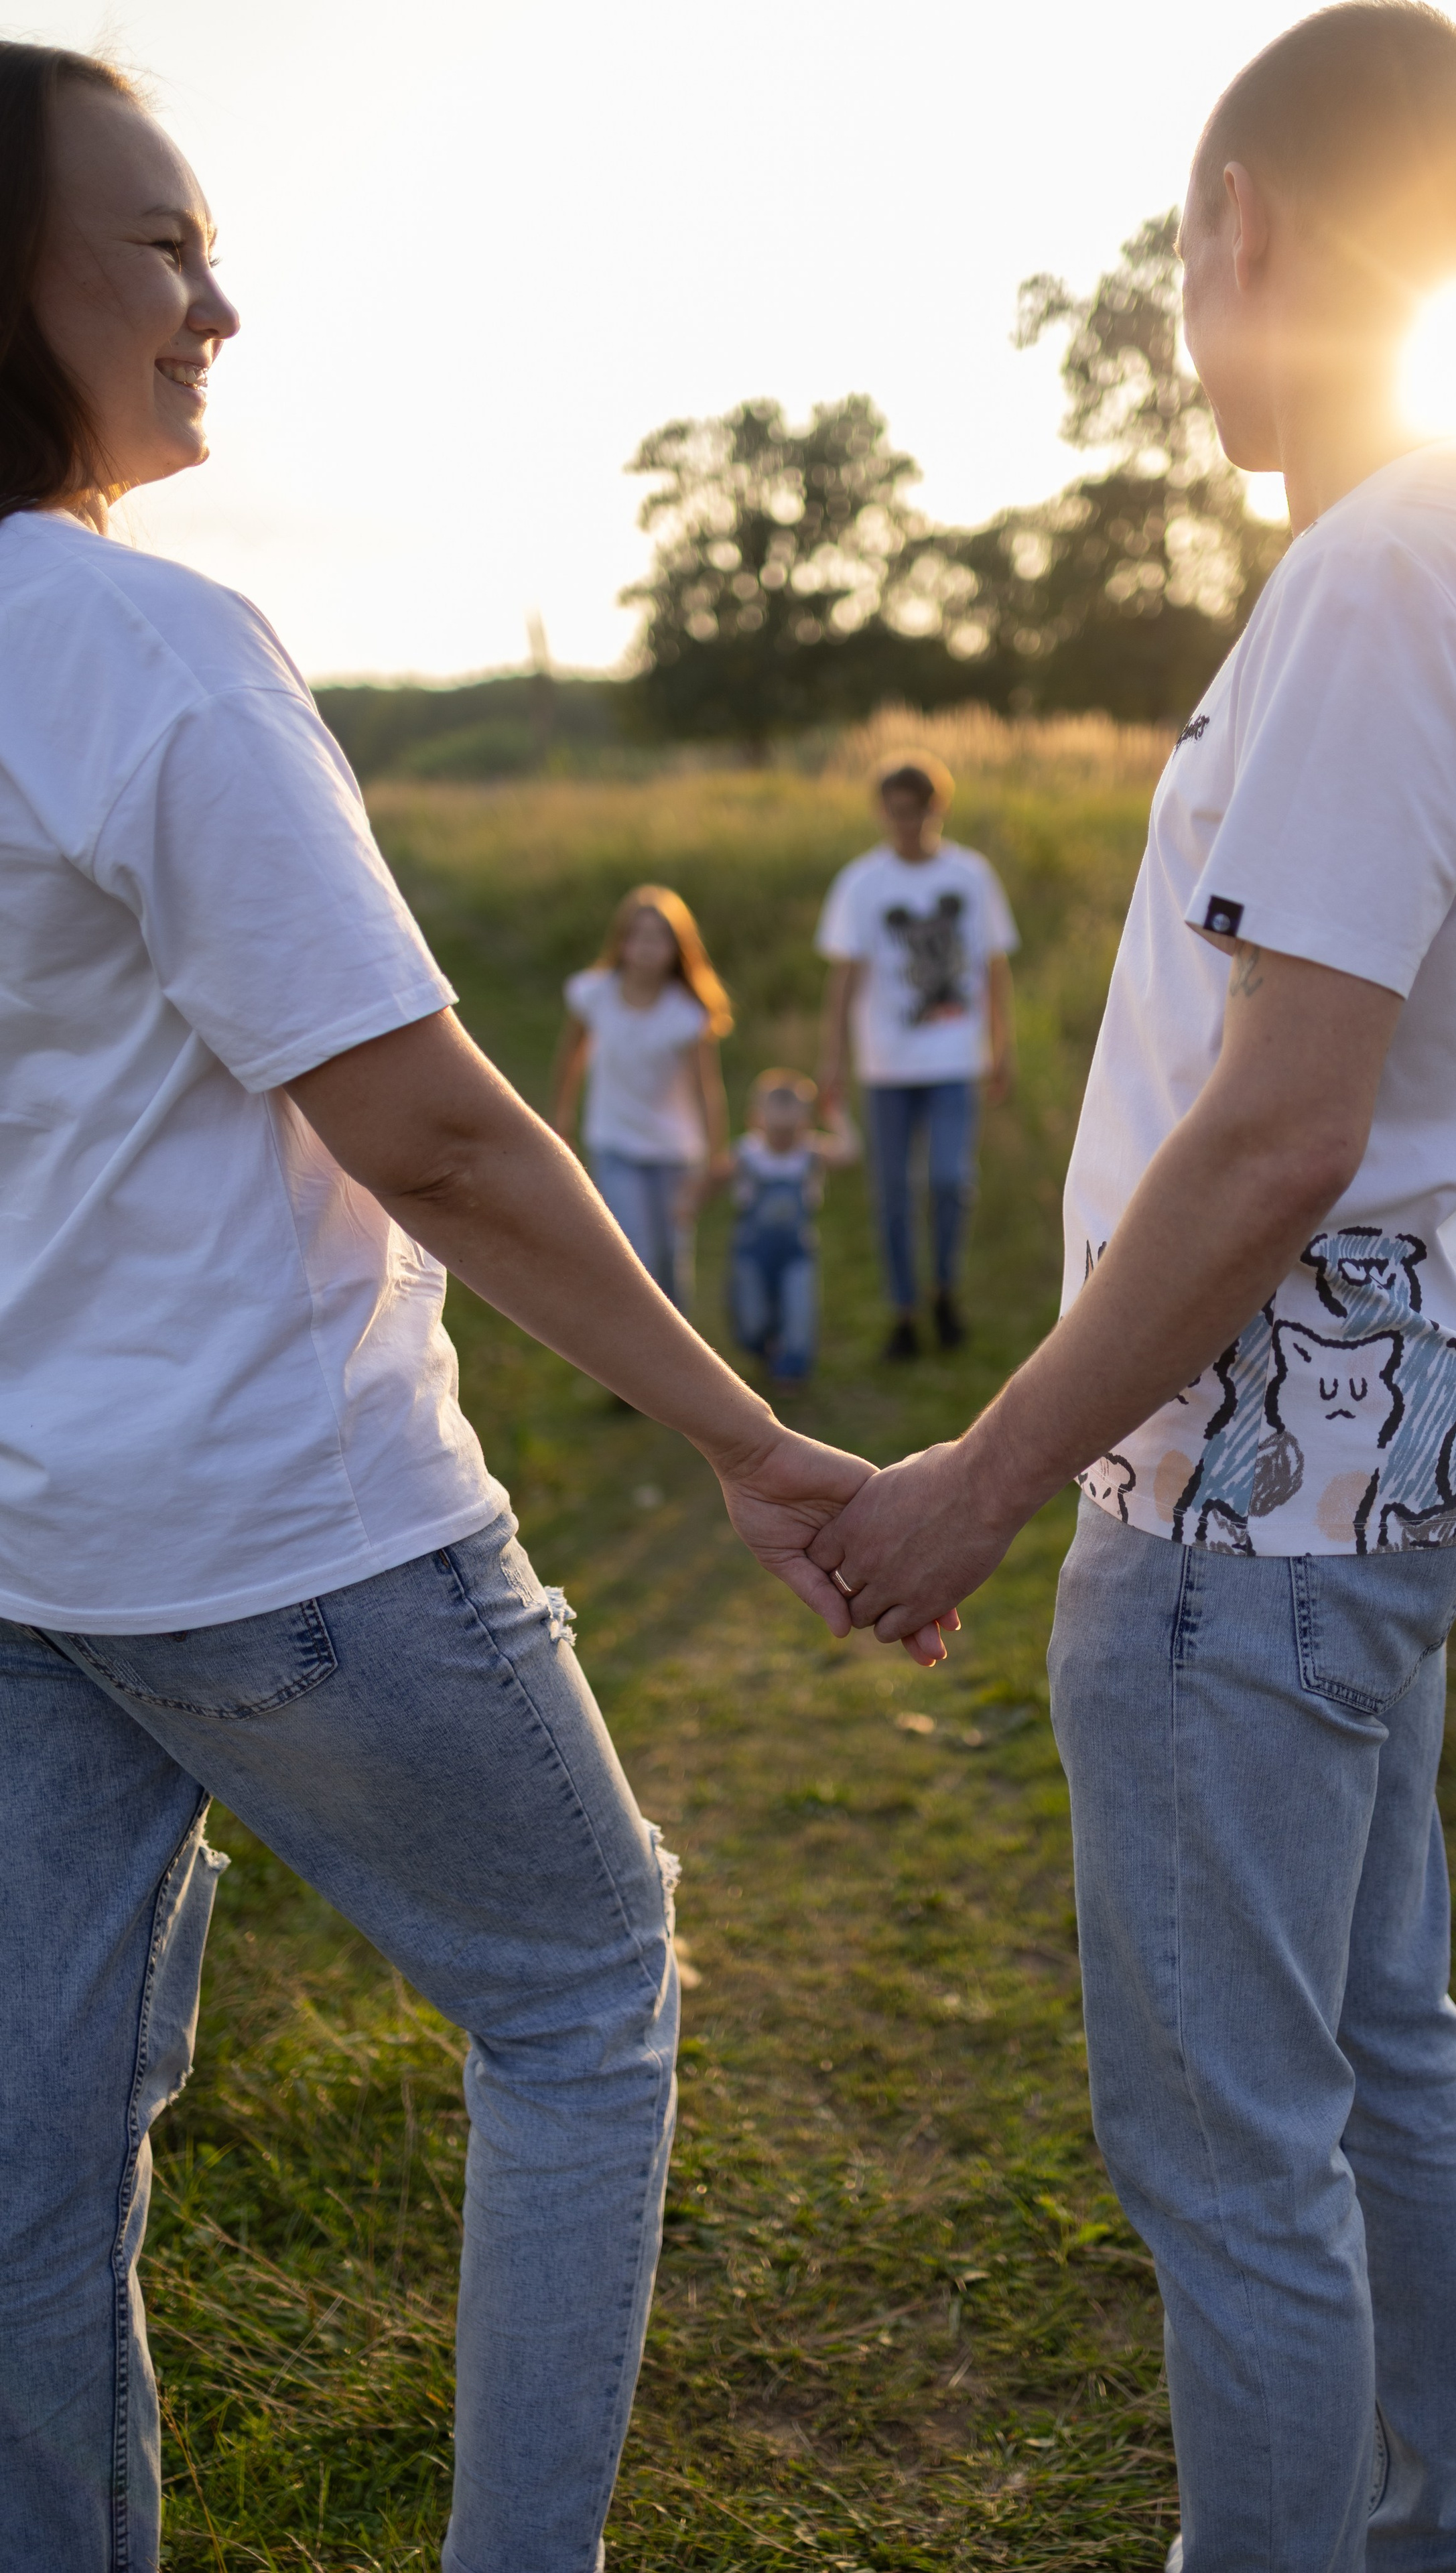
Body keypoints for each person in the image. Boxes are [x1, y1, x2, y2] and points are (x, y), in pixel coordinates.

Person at [0, 48, 946, 2573]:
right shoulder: (144, 650)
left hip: (30, 1550)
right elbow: (421, 1126)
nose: (219, 300)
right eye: (158, 247)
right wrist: (752, 1443)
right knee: (579, 1995)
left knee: (27, 2156)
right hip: (280, 1527)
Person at [809, 10, 1456, 2570]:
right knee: (1380, 2045)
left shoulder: (1375, 582)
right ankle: (1417, 2527)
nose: (1181, 299)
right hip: (1392, 1436)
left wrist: (975, 1477)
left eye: (1179, 247)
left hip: (1246, 1496)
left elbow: (1280, 1122)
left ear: (1245, 224)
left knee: (1234, 2145)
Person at [815, 752, 1018, 1360]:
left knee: (951, 1180)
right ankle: (904, 1312)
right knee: (893, 1193)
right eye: (894, 813)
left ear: (938, 808)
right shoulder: (862, 883)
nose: (905, 824)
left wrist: (1002, 1047)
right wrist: (833, 1058)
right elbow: (844, 976)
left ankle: (945, 1291)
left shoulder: (971, 876)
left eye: (917, 812)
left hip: (955, 1058)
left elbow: (994, 965)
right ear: (882, 812)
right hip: (887, 1063)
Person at [551, 882, 730, 1313]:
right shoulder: (594, 995)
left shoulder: (686, 1014)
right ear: (623, 941)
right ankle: (632, 1373)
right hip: (614, 1144)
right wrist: (562, 1118)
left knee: (671, 1264)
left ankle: (677, 1370)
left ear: (677, 948)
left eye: (661, 937)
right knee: (637, 1258)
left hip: (673, 1153)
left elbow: (707, 1088)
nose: (649, 946)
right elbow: (570, 1057)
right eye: (640, 935)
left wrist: (716, 1155)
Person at [726, 1069, 859, 1386]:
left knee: (799, 1309)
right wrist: (689, 1201)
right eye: (777, 1131)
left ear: (806, 1123)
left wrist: (836, 1116)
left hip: (797, 1252)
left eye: (792, 1130)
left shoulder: (810, 1152)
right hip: (752, 1254)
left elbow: (850, 1154)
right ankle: (763, 1346)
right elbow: (712, 1177)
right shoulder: (746, 1154)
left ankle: (792, 1368)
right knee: (752, 1316)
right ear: (756, 1121)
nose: (786, 1139)